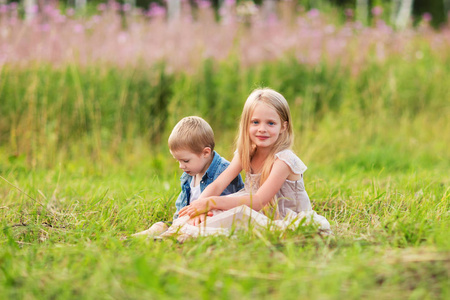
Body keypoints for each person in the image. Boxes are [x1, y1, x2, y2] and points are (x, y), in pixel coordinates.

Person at [159, 88, 331, 240]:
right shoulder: (247, 152)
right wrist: (201, 207)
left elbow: (258, 201)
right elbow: (218, 184)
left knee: (235, 214)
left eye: (270, 123)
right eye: (255, 122)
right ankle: (174, 231)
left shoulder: (284, 160)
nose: (262, 129)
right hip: (252, 211)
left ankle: (187, 235)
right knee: (209, 214)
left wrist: (210, 203)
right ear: (246, 124)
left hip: (279, 217)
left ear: (283, 127)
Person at [132, 116, 244, 237]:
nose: (181, 166)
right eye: (178, 161)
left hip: (210, 220)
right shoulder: (190, 173)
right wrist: (178, 220)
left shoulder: (223, 171)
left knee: (189, 229)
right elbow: (182, 207)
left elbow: (222, 210)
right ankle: (144, 235)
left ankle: (168, 236)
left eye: (185, 161)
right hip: (190, 219)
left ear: (206, 152)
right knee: (159, 225)